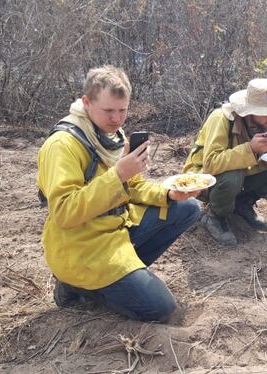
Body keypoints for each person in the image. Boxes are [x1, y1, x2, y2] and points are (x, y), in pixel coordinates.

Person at [37, 65, 201, 322]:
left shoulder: (112, 135)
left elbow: (132, 187)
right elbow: (63, 212)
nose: (116, 119)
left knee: (187, 208)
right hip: (81, 248)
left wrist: (168, 194)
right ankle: (78, 286)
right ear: (86, 103)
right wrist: (117, 175)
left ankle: (120, 279)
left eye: (122, 110)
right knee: (162, 310)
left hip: (115, 232)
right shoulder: (62, 145)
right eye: (108, 111)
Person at [183, 78, 267, 246]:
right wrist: (250, 149)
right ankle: (216, 216)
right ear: (250, 111)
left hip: (242, 174)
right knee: (234, 174)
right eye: (266, 112)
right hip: (203, 179)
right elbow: (211, 163)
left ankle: (243, 204)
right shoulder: (221, 118)